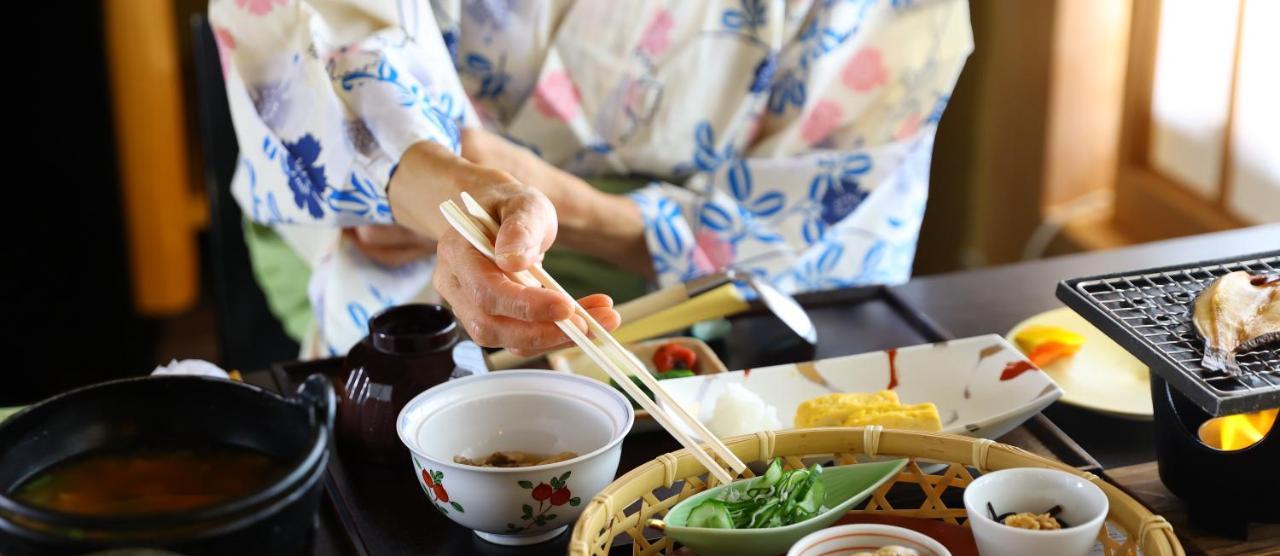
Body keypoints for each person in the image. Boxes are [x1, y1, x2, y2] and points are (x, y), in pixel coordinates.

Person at [211, 0, 971, 356]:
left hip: (702, 296)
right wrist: (433, 184)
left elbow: (834, 202)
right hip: (415, 237)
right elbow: (326, 38)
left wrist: (572, 208)